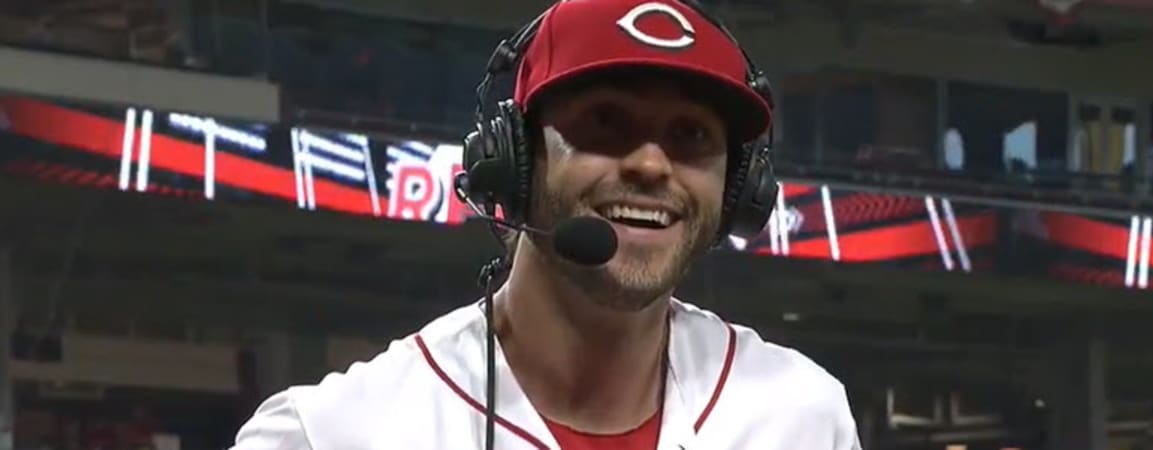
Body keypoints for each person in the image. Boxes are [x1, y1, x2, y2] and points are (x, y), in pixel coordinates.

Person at [231, 0, 861, 449]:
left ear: (737, 188)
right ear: (515, 164)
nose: (650, 163)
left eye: (691, 136)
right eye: (605, 124)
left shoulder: (801, 415)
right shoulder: (334, 434)